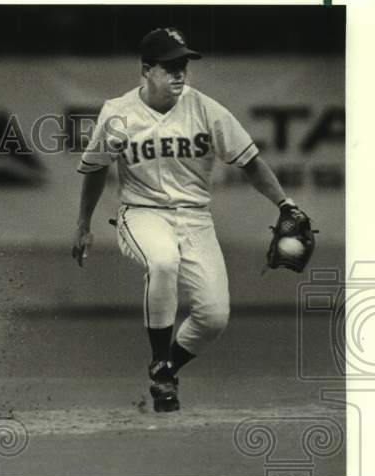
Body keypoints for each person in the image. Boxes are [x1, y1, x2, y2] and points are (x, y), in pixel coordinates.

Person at [71, 27, 310, 412]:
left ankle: (164, 372)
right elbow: (96, 168)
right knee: (163, 261)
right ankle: (160, 360)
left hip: (196, 218)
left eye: (183, 65)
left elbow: (250, 161)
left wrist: (285, 204)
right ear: (147, 70)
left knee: (213, 317)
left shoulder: (206, 110)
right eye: (169, 66)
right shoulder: (118, 113)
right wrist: (83, 224)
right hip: (141, 213)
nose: (179, 73)